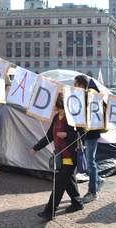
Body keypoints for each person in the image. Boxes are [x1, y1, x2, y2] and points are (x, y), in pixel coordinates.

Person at [32, 93, 83, 221]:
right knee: (68, 181)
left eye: (56, 104)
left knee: (59, 184)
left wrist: (67, 134)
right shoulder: (56, 117)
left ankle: (49, 212)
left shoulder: (72, 118)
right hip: (60, 155)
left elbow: (81, 135)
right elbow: (49, 135)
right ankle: (77, 203)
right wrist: (36, 147)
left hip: (71, 156)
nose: (54, 106)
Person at [74, 74, 102, 204]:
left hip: (92, 133)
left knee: (90, 162)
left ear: (81, 84)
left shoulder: (90, 94)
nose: (74, 87)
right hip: (88, 132)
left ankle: (93, 192)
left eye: (76, 84)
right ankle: (98, 181)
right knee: (90, 160)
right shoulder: (85, 95)